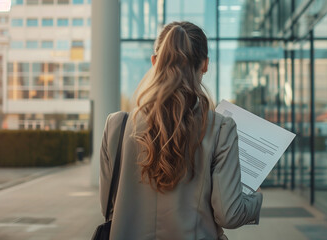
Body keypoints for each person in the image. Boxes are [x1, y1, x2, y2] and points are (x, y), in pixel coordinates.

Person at [99, 21, 263, 240]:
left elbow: (110, 208)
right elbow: (229, 214)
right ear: (205, 64)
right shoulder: (221, 128)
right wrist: (256, 200)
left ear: (155, 62)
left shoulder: (116, 126)